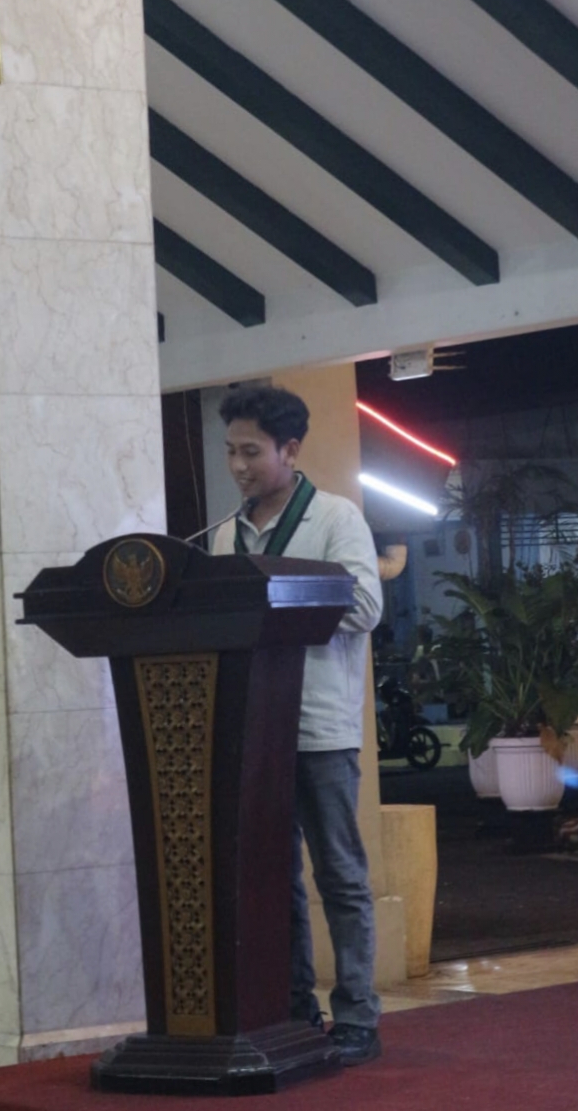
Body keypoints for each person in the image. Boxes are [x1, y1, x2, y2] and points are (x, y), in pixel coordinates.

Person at [212, 384, 384, 1066]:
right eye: (231, 451)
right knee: (273, 877)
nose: (238, 466)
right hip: (254, 731)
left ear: (289, 449)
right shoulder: (225, 533)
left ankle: (359, 1016)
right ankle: (293, 1006)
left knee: (339, 875)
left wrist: (274, 596)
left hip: (320, 729)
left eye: (251, 452)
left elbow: (365, 606)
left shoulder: (336, 518)